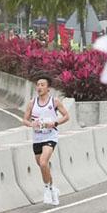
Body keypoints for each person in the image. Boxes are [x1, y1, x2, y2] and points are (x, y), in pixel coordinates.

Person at [22, 75, 71, 205]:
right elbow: (25, 120)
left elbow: (66, 116)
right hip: (37, 137)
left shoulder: (54, 101)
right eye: (38, 85)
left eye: (42, 85)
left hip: (50, 136)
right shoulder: (32, 103)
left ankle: (47, 190)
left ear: (48, 88)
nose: (39, 87)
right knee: (42, 166)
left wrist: (55, 123)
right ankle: (53, 189)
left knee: (44, 162)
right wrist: (31, 124)